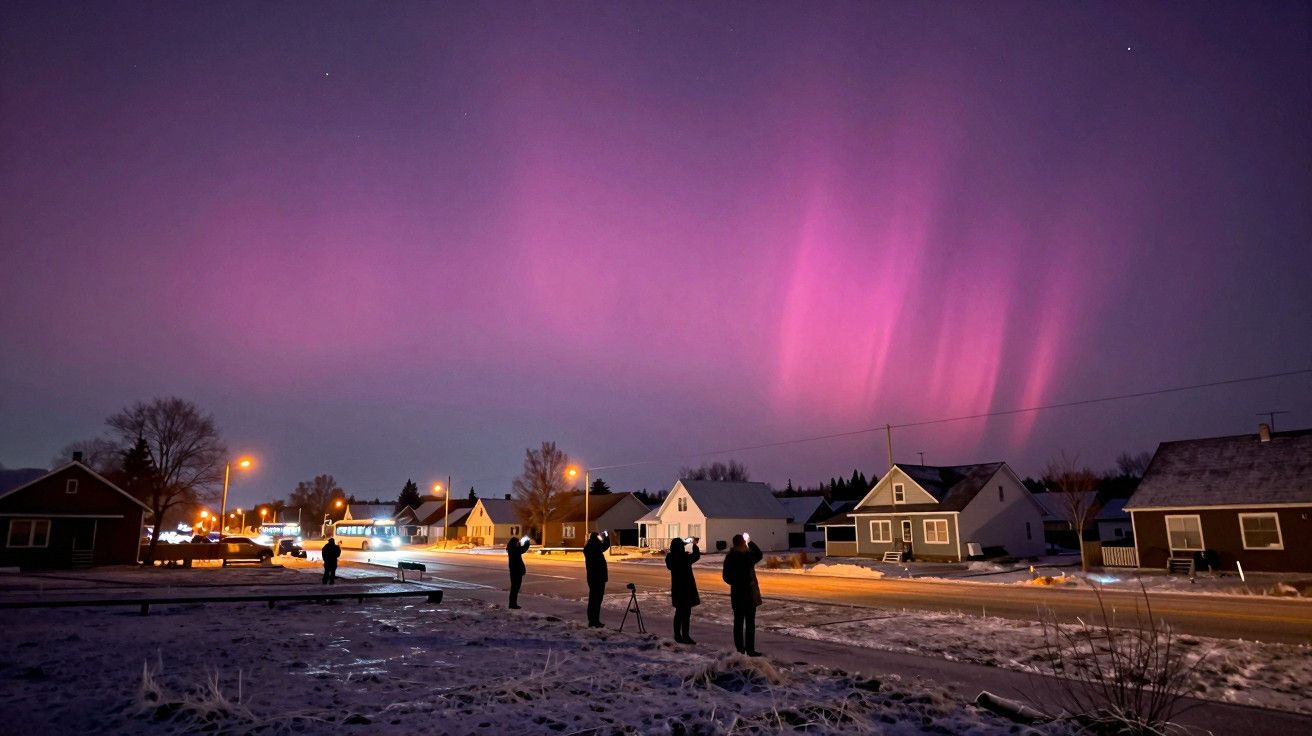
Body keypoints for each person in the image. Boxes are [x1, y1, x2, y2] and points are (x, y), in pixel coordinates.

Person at [721, 532, 764, 656]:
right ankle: (745, 650)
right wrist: (750, 541)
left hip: (743, 594)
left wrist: (749, 541)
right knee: (744, 623)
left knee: (744, 623)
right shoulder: (741, 556)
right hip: (744, 594)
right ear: (742, 543)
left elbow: (726, 577)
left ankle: (745, 649)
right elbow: (759, 555)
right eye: (744, 543)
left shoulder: (739, 556)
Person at [665, 536, 702, 644]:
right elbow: (696, 556)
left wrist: (685, 542)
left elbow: (677, 549)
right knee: (686, 614)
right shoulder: (684, 557)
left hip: (677, 588)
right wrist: (694, 545)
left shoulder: (671, 557)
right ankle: (685, 636)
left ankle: (678, 635)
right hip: (687, 588)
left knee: (679, 613)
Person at [582, 529, 611, 627]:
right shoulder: (594, 548)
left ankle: (593, 620)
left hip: (593, 577)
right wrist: (606, 537)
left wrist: (604, 538)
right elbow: (604, 546)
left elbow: (603, 547)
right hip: (597, 577)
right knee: (596, 600)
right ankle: (594, 621)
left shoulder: (589, 547)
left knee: (594, 599)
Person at [506, 534, 531, 609]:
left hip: (515, 570)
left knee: (515, 588)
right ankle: (512, 604)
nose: (518, 543)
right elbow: (522, 549)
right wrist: (527, 542)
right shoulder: (514, 549)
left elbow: (520, 549)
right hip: (516, 571)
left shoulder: (511, 548)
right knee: (515, 588)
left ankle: (513, 604)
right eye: (517, 542)